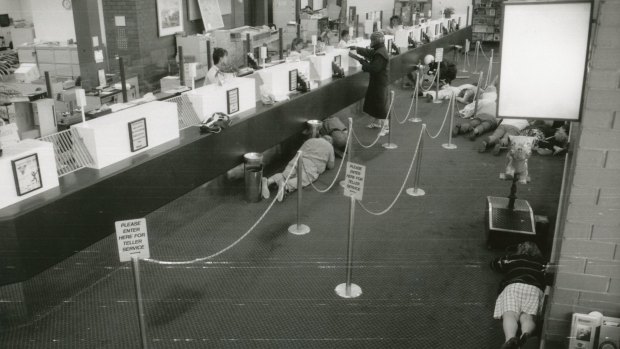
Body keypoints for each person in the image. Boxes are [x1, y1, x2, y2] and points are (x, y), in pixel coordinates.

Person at [491, 241, 547, 349]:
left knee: (510, 314)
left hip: (514, 286)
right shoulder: (543, 263)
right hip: (534, 289)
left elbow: (494, 264)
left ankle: (510, 339)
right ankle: (525, 334)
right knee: (528, 317)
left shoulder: (513, 259)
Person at [262, 135, 335, 201]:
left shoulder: (310, 140)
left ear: (321, 137)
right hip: (311, 165)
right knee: (303, 179)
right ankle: (286, 186)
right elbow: (330, 165)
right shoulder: (329, 146)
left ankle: (269, 181)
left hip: (297, 159)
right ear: (330, 141)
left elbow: (299, 151)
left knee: (286, 174)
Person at [349, 31, 390, 136]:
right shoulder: (380, 50)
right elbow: (369, 53)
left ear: (375, 41)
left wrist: (363, 63)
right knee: (375, 101)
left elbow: (374, 68)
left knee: (380, 103)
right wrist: (357, 49)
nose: (371, 42)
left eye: (372, 40)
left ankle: (386, 127)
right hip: (378, 80)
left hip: (379, 81)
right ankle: (377, 122)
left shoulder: (380, 53)